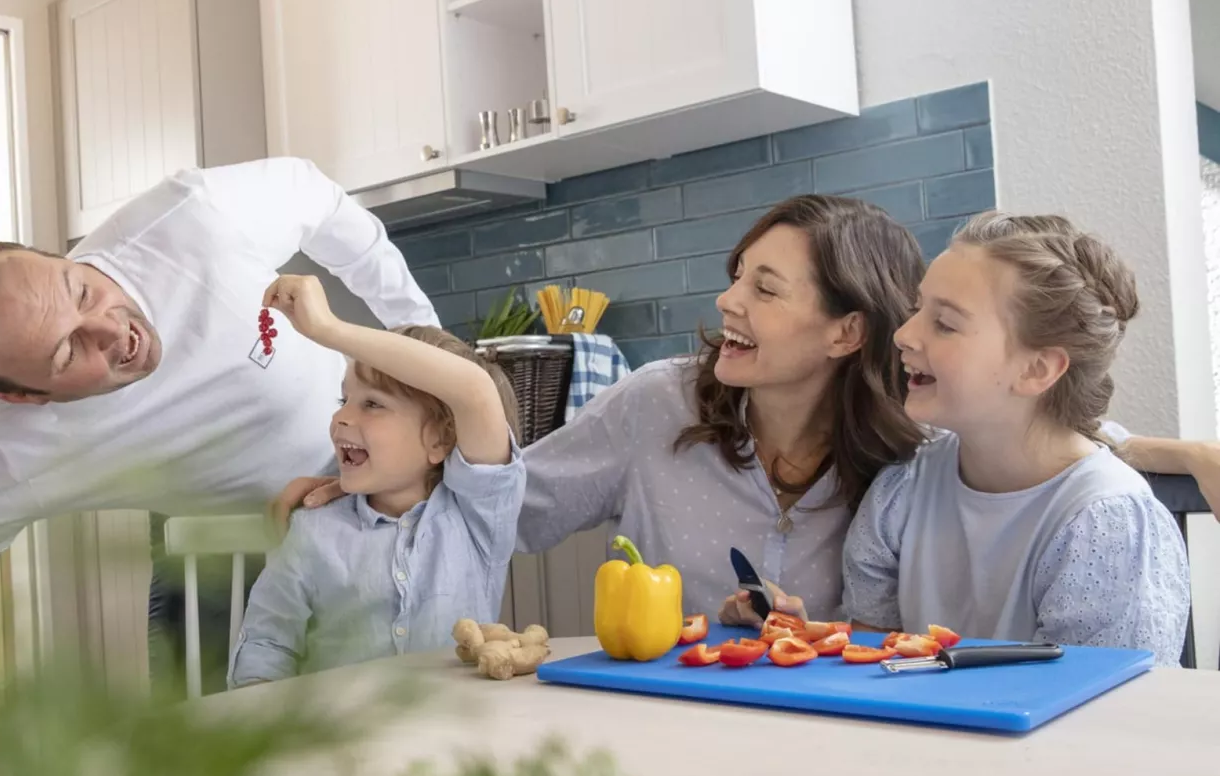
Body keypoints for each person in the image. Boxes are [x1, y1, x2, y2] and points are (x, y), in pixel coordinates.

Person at [273, 195, 1215, 636]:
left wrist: (1145, 453)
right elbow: (499, 509)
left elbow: (1036, 443)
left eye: (764, 288)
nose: (727, 303)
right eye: (734, 277)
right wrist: (382, 481)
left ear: (850, 331)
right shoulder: (657, 407)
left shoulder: (911, 445)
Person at [0, 158, 437, 655]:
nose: (116, 332)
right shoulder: (7, 450)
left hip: (403, 491)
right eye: (66, 354)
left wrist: (430, 349)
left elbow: (317, 196)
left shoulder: (188, 220)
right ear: (21, 396)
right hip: (239, 552)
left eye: (83, 291)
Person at [842, 213, 1189, 663]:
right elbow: (870, 660)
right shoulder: (903, 486)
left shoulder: (1105, 524)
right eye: (916, 310)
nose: (904, 335)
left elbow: (1105, 712)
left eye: (944, 323)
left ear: (1037, 369)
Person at [228, 274, 524, 687]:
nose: (342, 418)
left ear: (440, 439)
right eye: (343, 399)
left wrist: (328, 330)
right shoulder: (313, 530)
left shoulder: (478, 517)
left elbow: (474, 390)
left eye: (372, 404)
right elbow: (268, 644)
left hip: (456, 739)